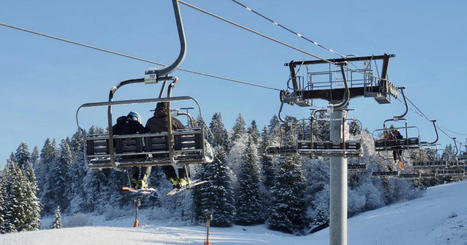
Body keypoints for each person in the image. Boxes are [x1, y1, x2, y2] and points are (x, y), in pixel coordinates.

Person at [146, 102, 190, 188]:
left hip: (157, 152)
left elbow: (145, 132)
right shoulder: (172, 120)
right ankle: (183, 178)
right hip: (172, 150)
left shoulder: (150, 121)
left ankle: (173, 179)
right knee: (181, 157)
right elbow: (184, 131)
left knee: (164, 162)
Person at [112, 111, 149, 189]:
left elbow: (112, 142)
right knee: (148, 156)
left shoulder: (116, 126)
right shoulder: (135, 124)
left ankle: (134, 180)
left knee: (132, 160)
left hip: (124, 155)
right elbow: (145, 132)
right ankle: (143, 178)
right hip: (136, 152)